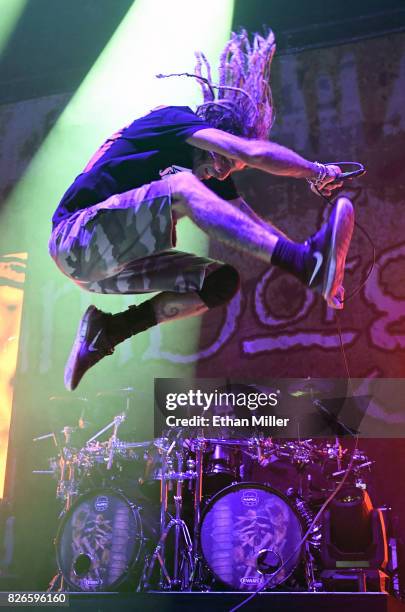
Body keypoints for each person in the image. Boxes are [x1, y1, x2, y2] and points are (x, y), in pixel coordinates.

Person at [49, 29, 353, 391]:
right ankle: (306, 263)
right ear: (211, 134)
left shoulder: (206, 173)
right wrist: (316, 171)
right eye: (224, 158)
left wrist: (313, 269)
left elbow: (253, 225)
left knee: (220, 281)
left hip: (106, 271)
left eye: (230, 170)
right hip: (75, 237)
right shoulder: (171, 120)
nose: (222, 172)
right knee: (181, 190)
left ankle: (110, 331)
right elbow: (252, 154)